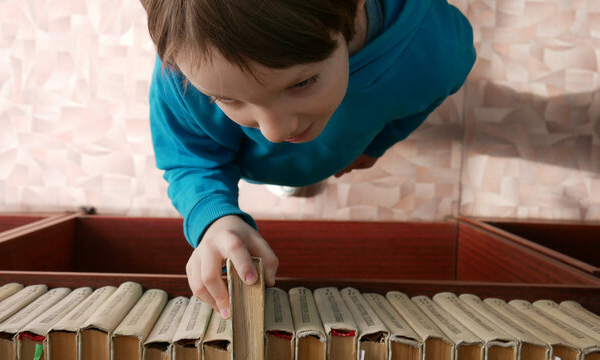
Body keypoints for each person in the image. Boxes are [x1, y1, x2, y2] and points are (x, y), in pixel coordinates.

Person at [142, 0, 476, 320]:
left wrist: (377, 144)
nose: (274, 132)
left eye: (301, 82)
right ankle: (286, 172)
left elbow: (436, 87)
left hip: (345, 139)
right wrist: (214, 218)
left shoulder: (435, 49)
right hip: (248, 159)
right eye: (226, 98)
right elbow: (191, 156)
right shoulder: (180, 67)